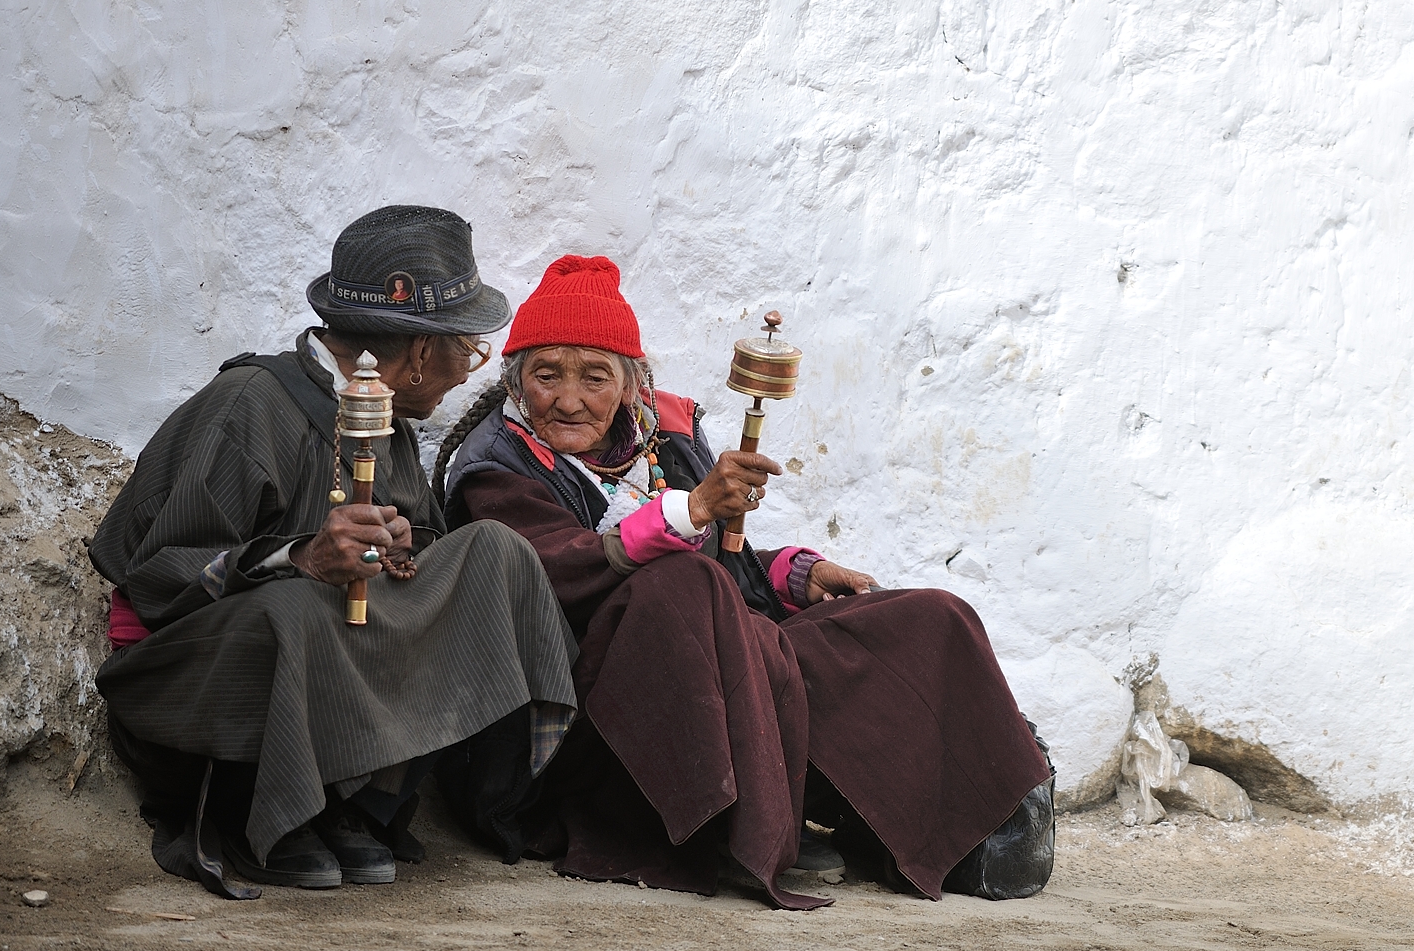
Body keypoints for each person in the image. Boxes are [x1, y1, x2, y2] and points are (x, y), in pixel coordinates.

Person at [431, 255, 1054, 909]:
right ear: (515, 382)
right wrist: (692, 510)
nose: (569, 397)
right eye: (546, 374)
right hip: (593, 721)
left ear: (630, 384)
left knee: (926, 617)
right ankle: (738, 824)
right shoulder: (496, 465)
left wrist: (794, 574)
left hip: (721, 651)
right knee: (682, 587)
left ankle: (927, 826)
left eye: (595, 376)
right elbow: (558, 568)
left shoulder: (661, 438)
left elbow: (725, 560)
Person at [88, 206, 579, 896]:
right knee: (300, 605)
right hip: (191, 685)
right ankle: (266, 813)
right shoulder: (250, 404)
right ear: (414, 355)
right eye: (465, 349)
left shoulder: (393, 427)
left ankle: (359, 800)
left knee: (495, 553)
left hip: (332, 680)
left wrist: (404, 549)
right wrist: (300, 555)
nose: (470, 370)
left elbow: (419, 577)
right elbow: (160, 579)